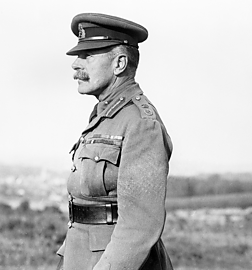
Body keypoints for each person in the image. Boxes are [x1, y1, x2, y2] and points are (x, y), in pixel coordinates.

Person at [56, 13, 174, 270]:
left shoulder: (141, 124)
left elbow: (139, 226)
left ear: (120, 63)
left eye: (88, 56)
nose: (76, 64)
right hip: (83, 256)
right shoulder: (106, 114)